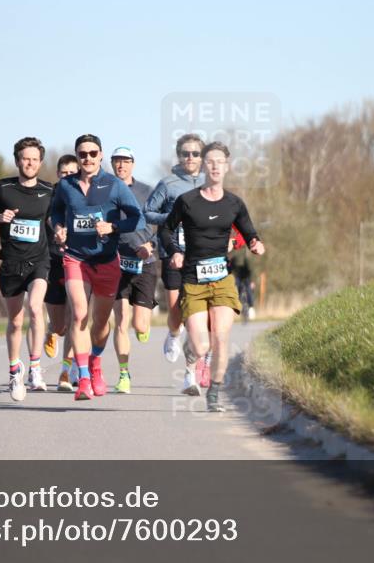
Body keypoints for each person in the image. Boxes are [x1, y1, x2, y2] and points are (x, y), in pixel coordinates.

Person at [160, 141, 265, 412]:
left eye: (221, 161)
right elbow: (165, 231)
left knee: (220, 337)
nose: (216, 165)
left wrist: (255, 243)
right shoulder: (188, 201)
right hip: (193, 281)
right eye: (211, 161)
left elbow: (249, 232)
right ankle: (191, 354)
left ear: (227, 166)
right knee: (201, 343)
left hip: (222, 280)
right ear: (204, 166)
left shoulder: (234, 203)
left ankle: (215, 392)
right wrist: (174, 251)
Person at [51, 134, 145, 400]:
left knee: (101, 324)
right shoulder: (66, 185)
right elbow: (56, 212)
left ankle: (95, 362)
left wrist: (113, 227)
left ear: (101, 155)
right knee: (79, 314)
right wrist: (58, 228)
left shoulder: (114, 185)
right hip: (75, 257)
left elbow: (137, 218)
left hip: (105, 260)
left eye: (93, 153)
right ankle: (82, 379)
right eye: (82, 154)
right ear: (77, 156)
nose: (88, 158)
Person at [0, 137, 54, 401]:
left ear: (40, 162)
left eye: (34, 159)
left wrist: (62, 231)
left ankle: (35, 367)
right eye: (25, 158)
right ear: (17, 160)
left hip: (39, 261)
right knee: (16, 320)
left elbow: (55, 222)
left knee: (35, 307)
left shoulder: (49, 190)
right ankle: (14, 371)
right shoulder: (4, 188)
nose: (29, 163)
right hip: (11, 263)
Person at [144, 133, 206, 364]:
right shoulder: (168, 183)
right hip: (173, 253)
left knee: (197, 312)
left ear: (202, 156)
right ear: (179, 156)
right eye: (185, 153)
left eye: (195, 153)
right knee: (175, 311)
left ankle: (196, 363)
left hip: (201, 254)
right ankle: (173, 333)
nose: (190, 157)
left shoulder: (208, 183)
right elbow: (147, 212)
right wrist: (171, 217)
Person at [109, 146, 158, 394]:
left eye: (125, 161)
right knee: (121, 322)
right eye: (117, 161)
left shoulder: (147, 192)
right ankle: (124, 375)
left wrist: (152, 245)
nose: (121, 165)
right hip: (117, 264)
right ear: (112, 163)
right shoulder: (105, 191)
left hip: (145, 264)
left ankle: (145, 322)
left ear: (133, 164)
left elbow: (164, 224)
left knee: (140, 326)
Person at [46, 154, 79, 391]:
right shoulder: (50, 195)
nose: (67, 176)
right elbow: (46, 218)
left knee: (74, 316)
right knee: (60, 326)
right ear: (58, 174)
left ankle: (66, 372)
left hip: (76, 260)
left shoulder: (83, 195)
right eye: (63, 173)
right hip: (52, 259)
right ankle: (50, 330)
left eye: (71, 172)